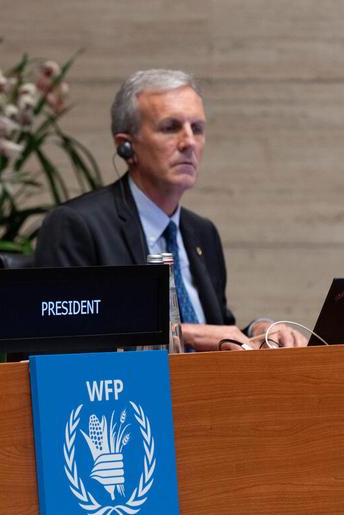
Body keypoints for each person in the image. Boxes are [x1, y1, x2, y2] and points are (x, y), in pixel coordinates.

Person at [35, 69, 305, 351]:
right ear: (126, 147)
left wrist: (259, 330)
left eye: (197, 129)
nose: (189, 142)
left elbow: (217, 327)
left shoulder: (202, 232)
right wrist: (184, 333)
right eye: (170, 127)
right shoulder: (78, 225)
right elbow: (70, 333)